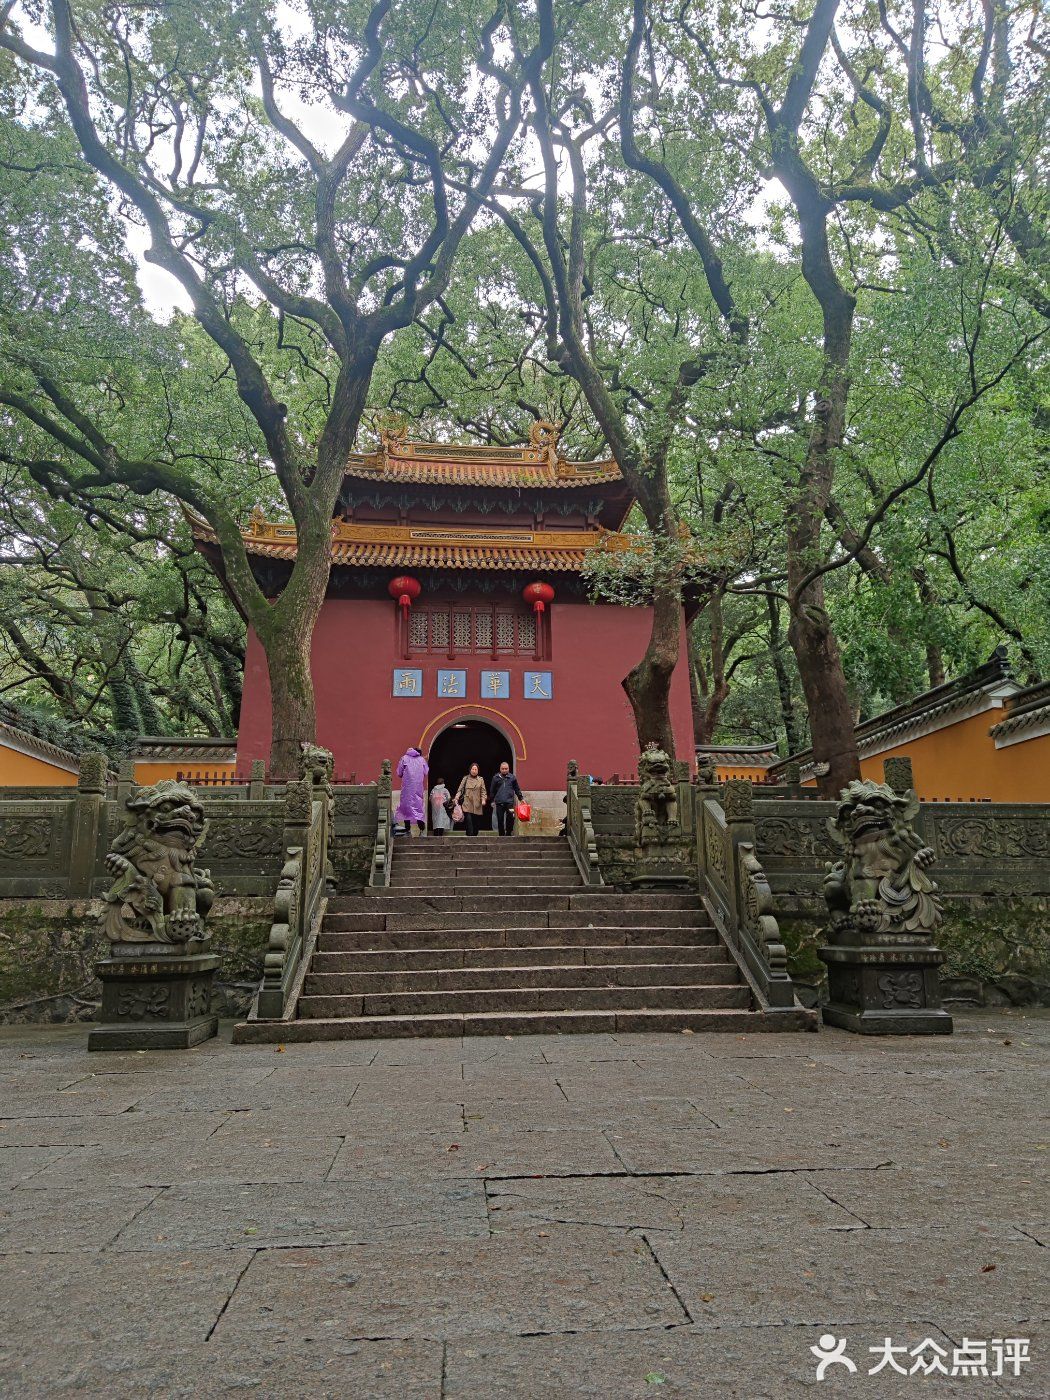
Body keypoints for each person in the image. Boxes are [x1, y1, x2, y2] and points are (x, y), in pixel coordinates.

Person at [394, 746, 428, 836]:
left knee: (406, 810)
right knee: (418, 809)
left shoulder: (404, 758)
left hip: (407, 789)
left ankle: (407, 831)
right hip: (418, 789)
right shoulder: (422, 760)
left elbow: (399, 773)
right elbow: (426, 772)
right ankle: (422, 831)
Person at [489, 761, 524, 837]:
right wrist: (492, 801)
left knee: (511, 817)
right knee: (500, 819)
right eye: (503, 769)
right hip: (499, 803)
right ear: (500, 769)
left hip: (510, 802)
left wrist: (521, 798)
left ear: (508, 769)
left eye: (506, 768)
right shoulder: (495, 778)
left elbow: (517, 789)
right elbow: (492, 790)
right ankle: (501, 835)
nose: (504, 770)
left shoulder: (512, 778)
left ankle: (508, 833)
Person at [454, 762, 487, 836]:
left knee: (476, 823)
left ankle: (473, 835)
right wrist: (456, 797)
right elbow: (460, 790)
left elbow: (483, 791)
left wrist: (483, 799)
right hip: (467, 802)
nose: (474, 771)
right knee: (468, 820)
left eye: (476, 769)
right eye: (473, 769)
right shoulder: (465, 778)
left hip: (477, 804)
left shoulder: (480, 780)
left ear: (478, 771)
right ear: (470, 770)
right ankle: (470, 835)